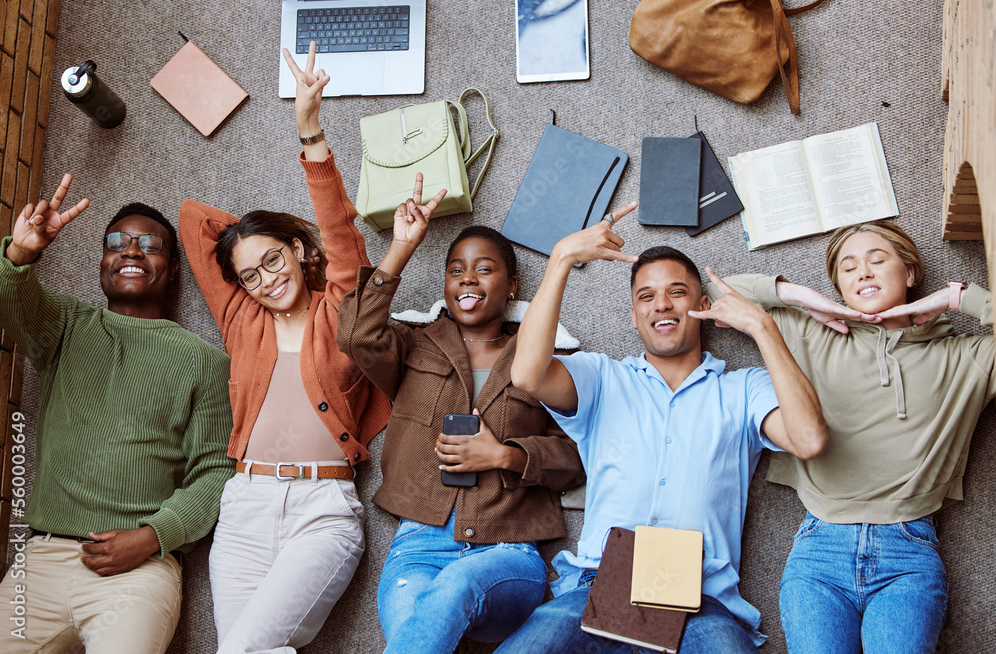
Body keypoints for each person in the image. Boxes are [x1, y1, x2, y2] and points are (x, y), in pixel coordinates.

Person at [497, 203, 828, 653]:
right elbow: (527, 375)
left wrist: (762, 327)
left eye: (676, 292)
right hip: (595, 588)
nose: (662, 305)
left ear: (704, 308)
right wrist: (561, 259)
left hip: (700, 601)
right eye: (647, 297)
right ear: (634, 316)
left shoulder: (744, 388)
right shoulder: (603, 377)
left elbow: (809, 440)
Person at [178, 43, 391, 653]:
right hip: (245, 506)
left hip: (323, 511)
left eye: (274, 258)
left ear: (298, 250)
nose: (266, 279)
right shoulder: (240, 316)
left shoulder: (339, 308)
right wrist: (243, 243)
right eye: (250, 274)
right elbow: (195, 220)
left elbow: (341, 236)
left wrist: (310, 130)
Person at [708, 220, 995, 653]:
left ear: (910, 273)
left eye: (878, 260)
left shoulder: (965, 357)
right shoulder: (809, 335)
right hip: (819, 549)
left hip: (908, 552)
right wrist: (808, 300)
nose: (863, 272)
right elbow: (714, 294)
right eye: (848, 267)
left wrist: (955, 298)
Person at [336, 179, 586, 654]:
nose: (467, 278)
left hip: (507, 551)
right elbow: (353, 336)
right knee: (416, 632)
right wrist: (401, 247)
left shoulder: (543, 361)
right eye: (456, 270)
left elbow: (575, 458)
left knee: (453, 591)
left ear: (511, 286)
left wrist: (505, 456)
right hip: (419, 547)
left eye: (484, 269)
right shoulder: (414, 343)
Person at [0, 177, 234, 654]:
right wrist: (20, 255)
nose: (131, 251)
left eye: (150, 245)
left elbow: (215, 473)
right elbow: (10, 301)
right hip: (40, 561)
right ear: (102, 263)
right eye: (117, 243)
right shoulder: (65, 325)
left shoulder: (206, 361)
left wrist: (152, 536)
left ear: (171, 272)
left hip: (138, 568)